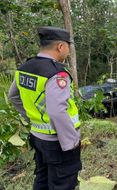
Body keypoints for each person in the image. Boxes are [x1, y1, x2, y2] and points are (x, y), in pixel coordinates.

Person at [8, 26, 81, 190]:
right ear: (60, 46)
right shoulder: (56, 73)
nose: (68, 51)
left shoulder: (24, 68)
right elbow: (57, 111)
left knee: (42, 179)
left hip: (37, 137)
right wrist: (71, 143)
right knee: (63, 183)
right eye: (68, 47)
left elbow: (13, 96)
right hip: (58, 142)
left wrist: (32, 119)